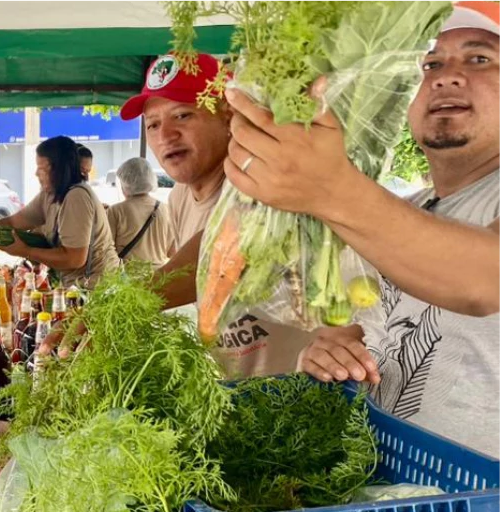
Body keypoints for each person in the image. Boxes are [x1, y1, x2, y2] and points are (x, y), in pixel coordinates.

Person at [223, 0, 500, 457]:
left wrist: (331, 188)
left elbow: (484, 278)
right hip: (389, 503)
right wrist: (333, 352)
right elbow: (368, 335)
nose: (446, 75)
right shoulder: (402, 211)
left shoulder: (364, 207)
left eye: (480, 58)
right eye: (430, 62)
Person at [118, 53, 313, 377]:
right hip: (230, 390)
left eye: (182, 115)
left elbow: (213, 256)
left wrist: (122, 309)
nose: (165, 135)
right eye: (153, 124)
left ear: (228, 115)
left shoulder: (262, 179)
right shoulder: (180, 197)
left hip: (296, 393)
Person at [0, 137, 120, 288]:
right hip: (76, 286)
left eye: (42, 168)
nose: (36, 173)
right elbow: (12, 222)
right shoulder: (50, 195)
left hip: (99, 289)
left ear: (58, 169)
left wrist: (25, 250)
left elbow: (74, 258)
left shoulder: (76, 197)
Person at [107, 157, 176, 265]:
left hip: (125, 278)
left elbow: (106, 249)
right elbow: (171, 251)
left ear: (125, 182)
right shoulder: (165, 209)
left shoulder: (116, 211)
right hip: (158, 277)